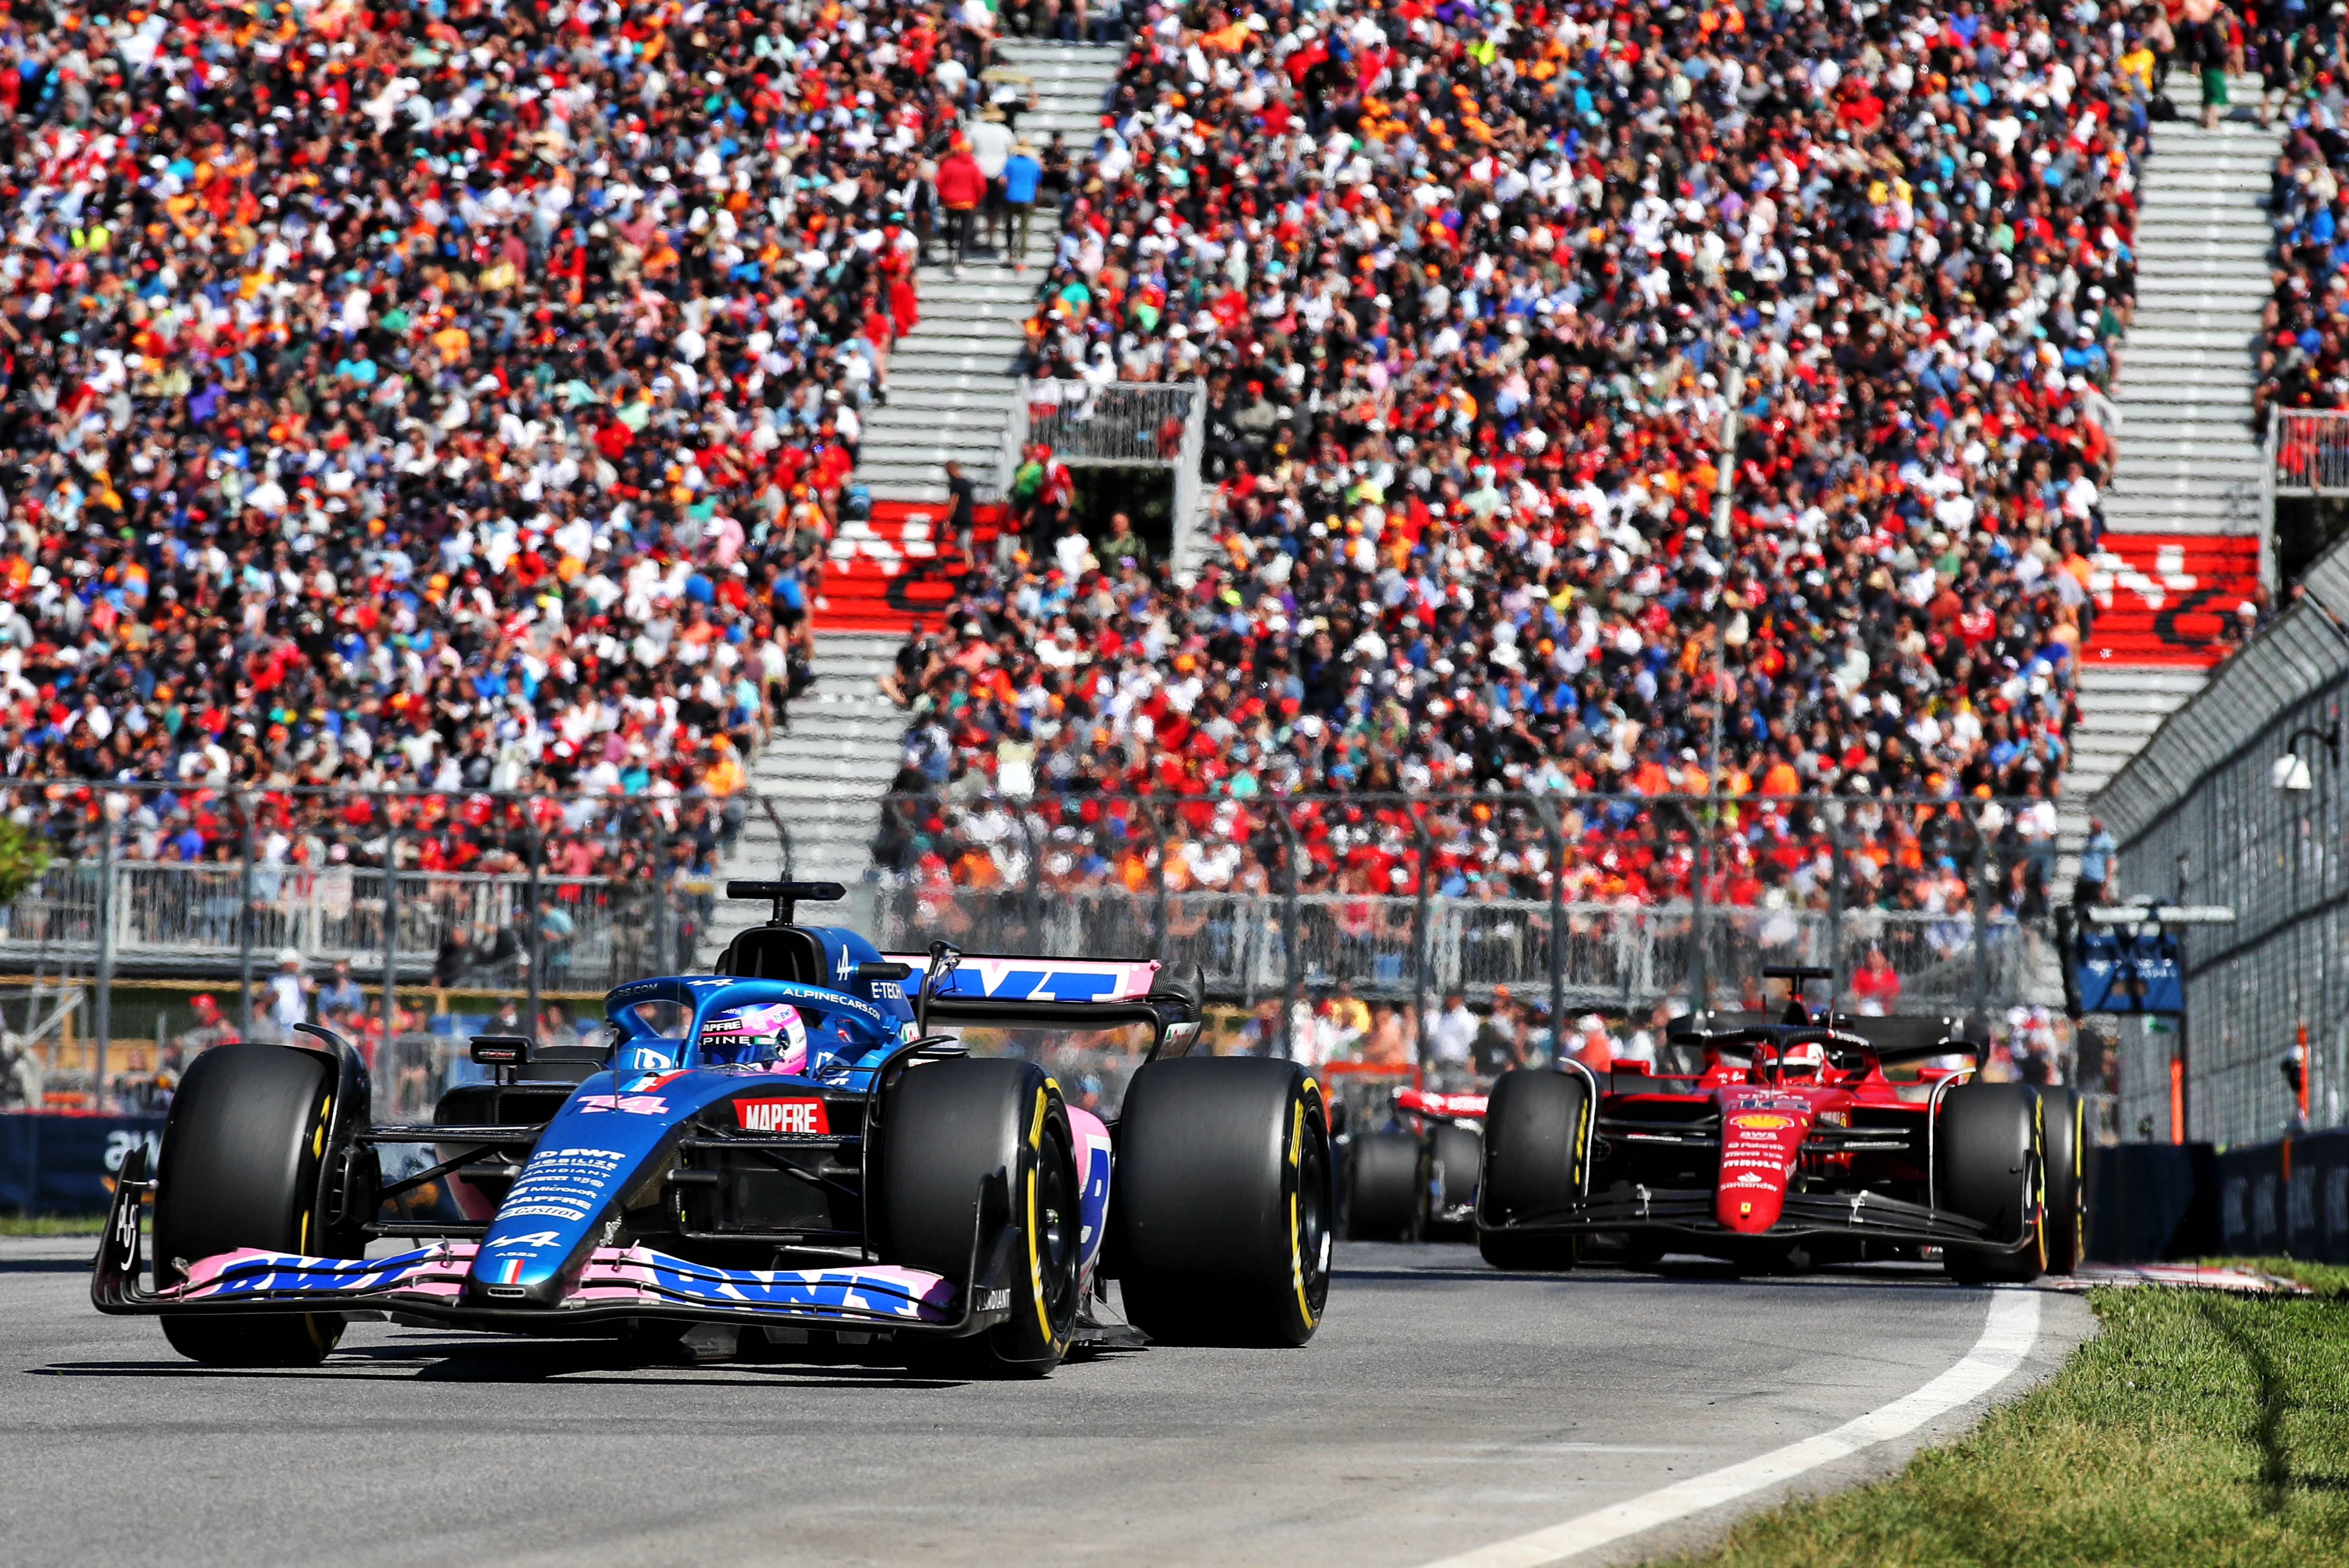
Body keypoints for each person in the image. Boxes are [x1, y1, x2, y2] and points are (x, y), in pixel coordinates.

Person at [934, 138, 988, 278]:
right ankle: (960, 262)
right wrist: (976, 201)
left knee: (951, 228)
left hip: (950, 203)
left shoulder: (948, 164)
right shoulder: (974, 166)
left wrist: (944, 197)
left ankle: (951, 248)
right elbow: (981, 186)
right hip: (968, 204)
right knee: (965, 234)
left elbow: (939, 182)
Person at [1002, 139, 1043, 274]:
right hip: (1027, 198)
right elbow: (1038, 185)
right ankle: (1022, 257)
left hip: (1011, 197)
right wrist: (1037, 200)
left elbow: (1003, 181)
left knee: (1009, 226)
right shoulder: (1034, 165)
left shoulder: (1010, 162)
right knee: (1024, 229)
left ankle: (1010, 253)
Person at [1424, 992, 1477, 1088]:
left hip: (1458, 1064)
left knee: (1456, 1093)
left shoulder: (1467, 1018)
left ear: (1459, 999)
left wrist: (1470, 1059)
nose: (1448, 1001)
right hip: (1441, 1064)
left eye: (1451, 998)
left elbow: (1472, 1041)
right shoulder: (1445, 1017)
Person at [268, 950, 315, 1039]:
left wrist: (298, 972)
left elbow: (307, 987)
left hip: (297, 1023)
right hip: (279, 1022)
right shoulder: (276, 978)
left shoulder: (304, 978)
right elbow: (271, 995)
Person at [2077, 818, 2118, 908]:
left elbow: (2111, 861)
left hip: (2098, 880)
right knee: (2080, 907)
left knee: (2098, 907)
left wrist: (2107, 881)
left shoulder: (2107, 840)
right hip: (2085, 880)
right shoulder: (2088, 839)